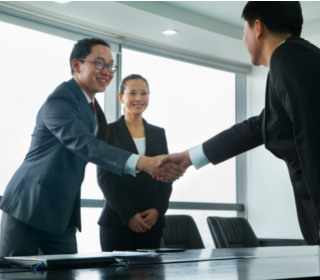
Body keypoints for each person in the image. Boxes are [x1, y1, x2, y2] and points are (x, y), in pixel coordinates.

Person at [0, 38, 185, 257]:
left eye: (110, 66)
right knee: (17, 274)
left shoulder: (94, 109)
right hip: (28, 208)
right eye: (98, 64)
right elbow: (85, 145)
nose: (106, 71)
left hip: (61, 218)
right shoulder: (60, 100)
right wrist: (143, 162)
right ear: (76, 65)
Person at [158, 1, 320, 245]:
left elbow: (314, 138)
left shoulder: (289, 59)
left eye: (242, 30)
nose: (243, 40)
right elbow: (259, 127)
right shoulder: (296, 58)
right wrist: (189, 156)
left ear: (257, 27)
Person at [97, 74, 172, 251]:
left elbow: (167, 175)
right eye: (132, 93)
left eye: (143, 93)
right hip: (117, 221)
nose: (139, 98)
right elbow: (104, 178)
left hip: (151, 222)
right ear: (121, 97)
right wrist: (128, 215)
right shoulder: (108, 131)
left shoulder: (158, 133)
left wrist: (157, 210)